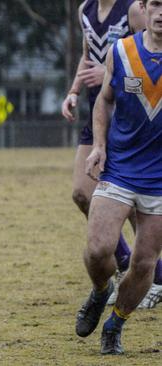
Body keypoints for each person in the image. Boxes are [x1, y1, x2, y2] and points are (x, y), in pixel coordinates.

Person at [61, 0, 162, 308]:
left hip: (133, 111)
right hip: (100, 109)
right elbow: (86, 56)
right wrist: (74, 90)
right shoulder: (85, 10)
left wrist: (111, 72)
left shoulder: (133, 8)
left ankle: (149, 272)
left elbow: (144, 53)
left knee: (136, 204)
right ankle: (122, 264)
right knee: (81, 193)